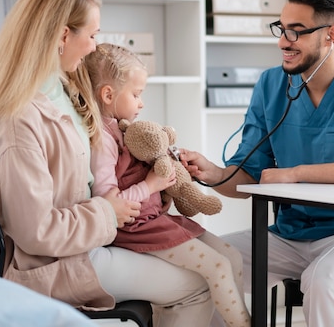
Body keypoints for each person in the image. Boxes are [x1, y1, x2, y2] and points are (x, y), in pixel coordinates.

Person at [0, 0, 215, 327]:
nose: (93, 47)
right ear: (62, 35)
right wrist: (108, 212)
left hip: (90, 242)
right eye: (92, 35)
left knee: (202, 259)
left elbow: (99, 169)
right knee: (200, 285)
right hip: (57, 262)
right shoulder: (20, 120)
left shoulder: (65, 89)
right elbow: (35, 231)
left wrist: (146, 186)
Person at [181, 0, 334, 327]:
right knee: (201, 264)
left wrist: (296, 172)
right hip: (292, 234)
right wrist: (211, 173)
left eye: (296, 32)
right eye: (281, 28)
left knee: (326, 281)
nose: (282, 42)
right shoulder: (271, 84)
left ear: (331, 35)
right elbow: (250, 175)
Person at [65, 43, 250, 327]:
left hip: (154, 220)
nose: (141, 103)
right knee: (218, 267)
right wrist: (151, 184)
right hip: (137, 229)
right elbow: (110, 203)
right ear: (108, 94)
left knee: (231, 257)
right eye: (137, 95)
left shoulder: (120, 126)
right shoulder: (102, 141)